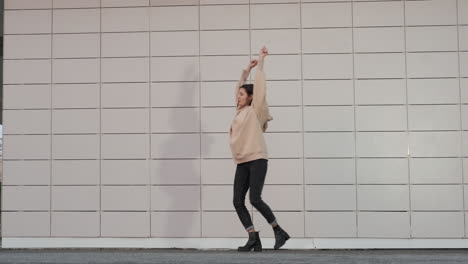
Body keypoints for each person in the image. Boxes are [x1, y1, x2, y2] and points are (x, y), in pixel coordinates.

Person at [229, 46, 290, 252]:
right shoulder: (240, 111)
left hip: (256, 159)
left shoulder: (255, 111)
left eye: (241, 94)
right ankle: (253, 236)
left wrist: (261, 62)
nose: (237, 96)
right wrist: (246, 70)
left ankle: (278, 230)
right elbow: (240, 86)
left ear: (250, 98)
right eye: (237, 94)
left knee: (254, 198)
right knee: (238, 201)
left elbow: (260, 89)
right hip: (242, 161)